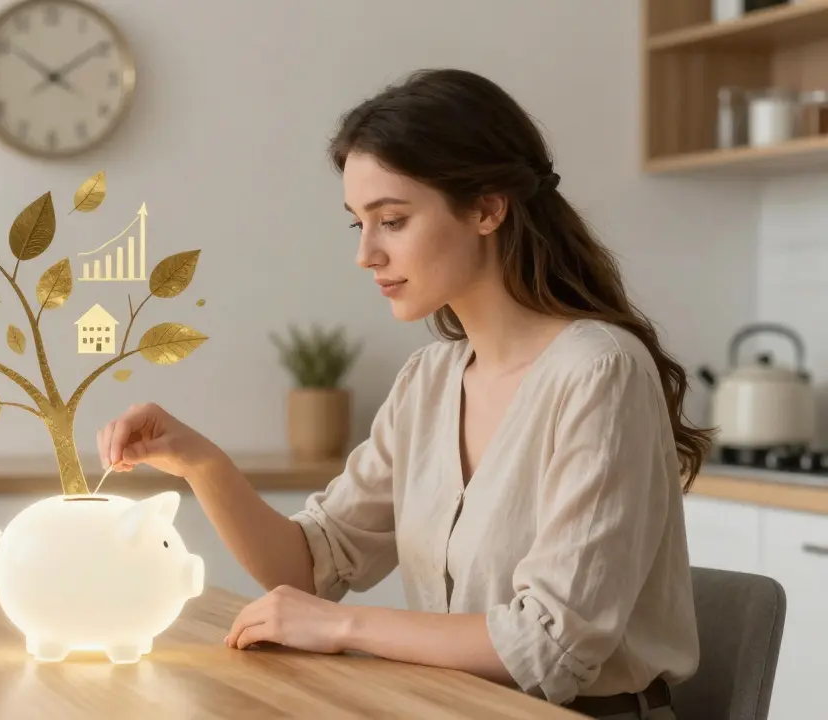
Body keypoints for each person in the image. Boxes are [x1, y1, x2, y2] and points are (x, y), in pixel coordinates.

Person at [96, 68, 708, 720]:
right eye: (357, 223)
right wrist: (199, 460)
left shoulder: (599, 373)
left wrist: (342, 627)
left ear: (487, 208)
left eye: (391, 220)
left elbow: (549, 647)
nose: (366, 253)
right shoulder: (430, 381)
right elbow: (309, 567)